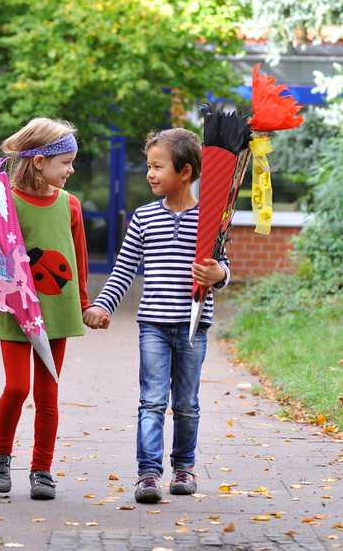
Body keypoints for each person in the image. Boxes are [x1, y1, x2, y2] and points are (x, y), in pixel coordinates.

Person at [83, 128, 230, 504]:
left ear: (185, 172)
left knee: (186, 403)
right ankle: (148, 474)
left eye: (157, 166)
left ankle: (184, 468)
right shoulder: (144, 218)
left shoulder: (211, 220)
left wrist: (218, 276)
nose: (149, 173)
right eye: (149, 165)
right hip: (153, 325)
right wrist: (102, 305)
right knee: (151, 399)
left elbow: (225, 269)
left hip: (194, 325)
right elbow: (123, 269)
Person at [0, 118, 90, 500]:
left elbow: (79, 259)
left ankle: (42, 469)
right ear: (38, 162)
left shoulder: (71, 205)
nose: (70, 169)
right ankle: (0, 457)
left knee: (48, 394)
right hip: (15, 309)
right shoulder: (3, 203)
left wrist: (84, 304)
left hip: (57, 310)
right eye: (65, 162)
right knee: (17, 387)